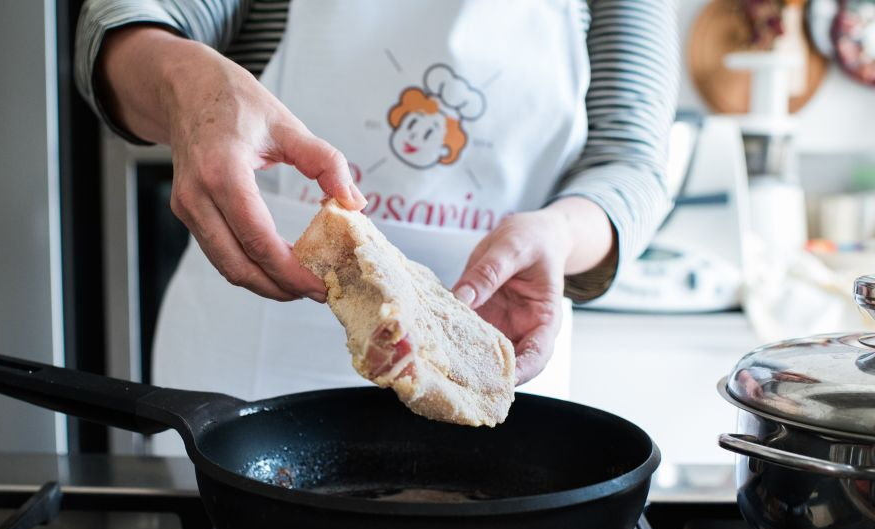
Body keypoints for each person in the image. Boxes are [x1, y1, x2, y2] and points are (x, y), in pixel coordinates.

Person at [75, 0, 678, 455]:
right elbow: (118, 29)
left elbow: (630, 165)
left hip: (494, 350)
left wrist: (560, 234)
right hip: (252, 383)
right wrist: (192, 87)